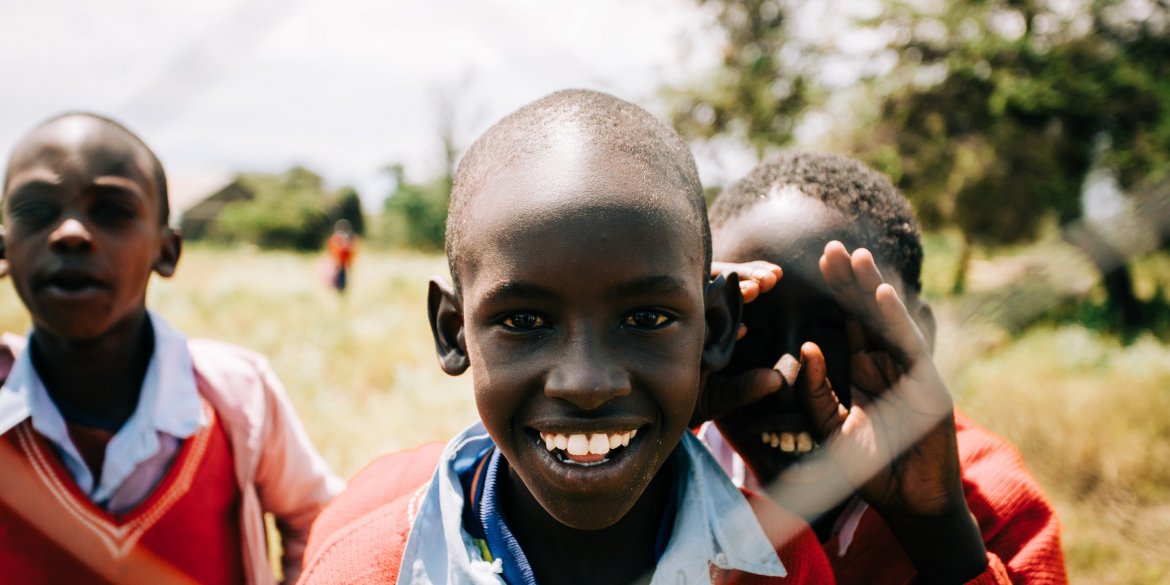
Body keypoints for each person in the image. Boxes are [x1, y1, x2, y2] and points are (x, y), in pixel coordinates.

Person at [300, 90, 834, 584]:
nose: (587, 384)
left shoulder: (782, 564)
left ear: (715, 326)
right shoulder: (363, 570)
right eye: (524, 322)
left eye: (646, 319)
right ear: (452, 331)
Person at [0, 112, 343, 584]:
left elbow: (321, 521)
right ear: (5, 249)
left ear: (166, 251)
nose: (70, 233)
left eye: (112, 212)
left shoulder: (239, 397)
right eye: (36, 211)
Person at [700, 152, 1067, 583]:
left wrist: (937, 528)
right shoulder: (665, 466)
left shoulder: (994, 507)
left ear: (920, 335)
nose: (788, 375)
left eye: (836, 329)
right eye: (747, 328)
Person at [326, 219, 357, 295]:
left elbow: (350, 253)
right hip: (336, 265)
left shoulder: (348, 241)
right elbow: (333, 252)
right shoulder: (334, 240)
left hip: (343, 265)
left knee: (343, 282)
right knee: (336, 282)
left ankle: (341, 291)